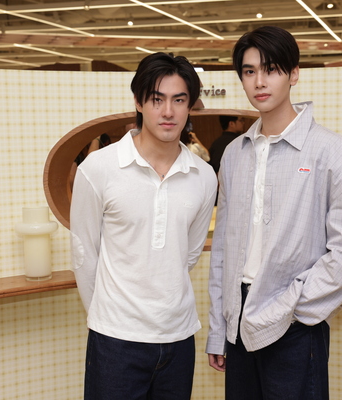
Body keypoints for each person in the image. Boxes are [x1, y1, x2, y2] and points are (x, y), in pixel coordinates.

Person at [206, 26, 342, 400]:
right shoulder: (235, 154)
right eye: (249, 71)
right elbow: (222, 248)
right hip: (237, 318)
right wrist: (219, 329)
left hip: (295, 322)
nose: (259, 81)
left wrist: (295, 305)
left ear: (294, 74)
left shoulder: (332, 152)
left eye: (271, 69)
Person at [70, 52, 217, 400]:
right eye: (157, 99)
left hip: (179, 336)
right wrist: (110, 318)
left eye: (179, 100)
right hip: (115, 341)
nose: (168, 112)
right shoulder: (98, 168)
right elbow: (84, 254)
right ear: (138, 102)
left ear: (190, 106)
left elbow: (189, 253)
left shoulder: (204, 176)